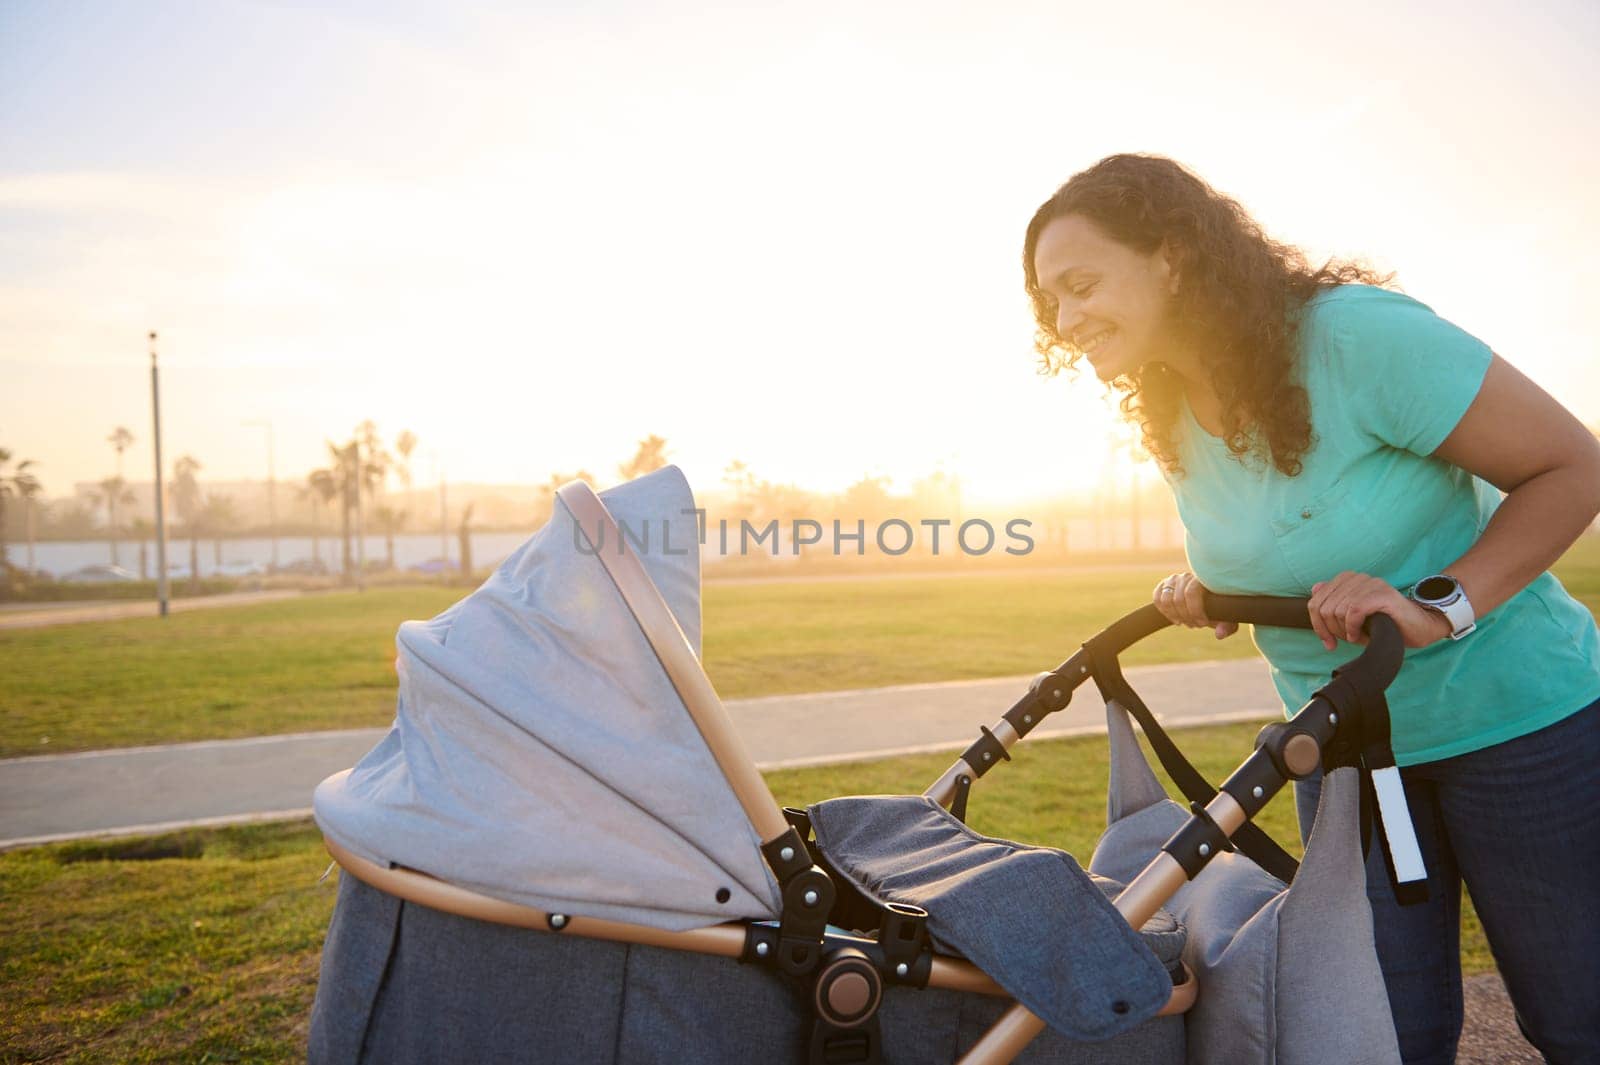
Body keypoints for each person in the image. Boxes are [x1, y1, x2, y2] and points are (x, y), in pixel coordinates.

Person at [1022, 153, 1600, 1065]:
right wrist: (1205, 588)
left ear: (1171, 255)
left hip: (1518, 728)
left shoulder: (1351, 339)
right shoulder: (1167, 406)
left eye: (1082, 285)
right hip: (1346, 762)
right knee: (1375, 1034)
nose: (1065, 319)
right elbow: (1281, 532)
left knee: (1578, 1017)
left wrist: (1432, 605)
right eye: (1051, 301)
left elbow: (1573, 466)